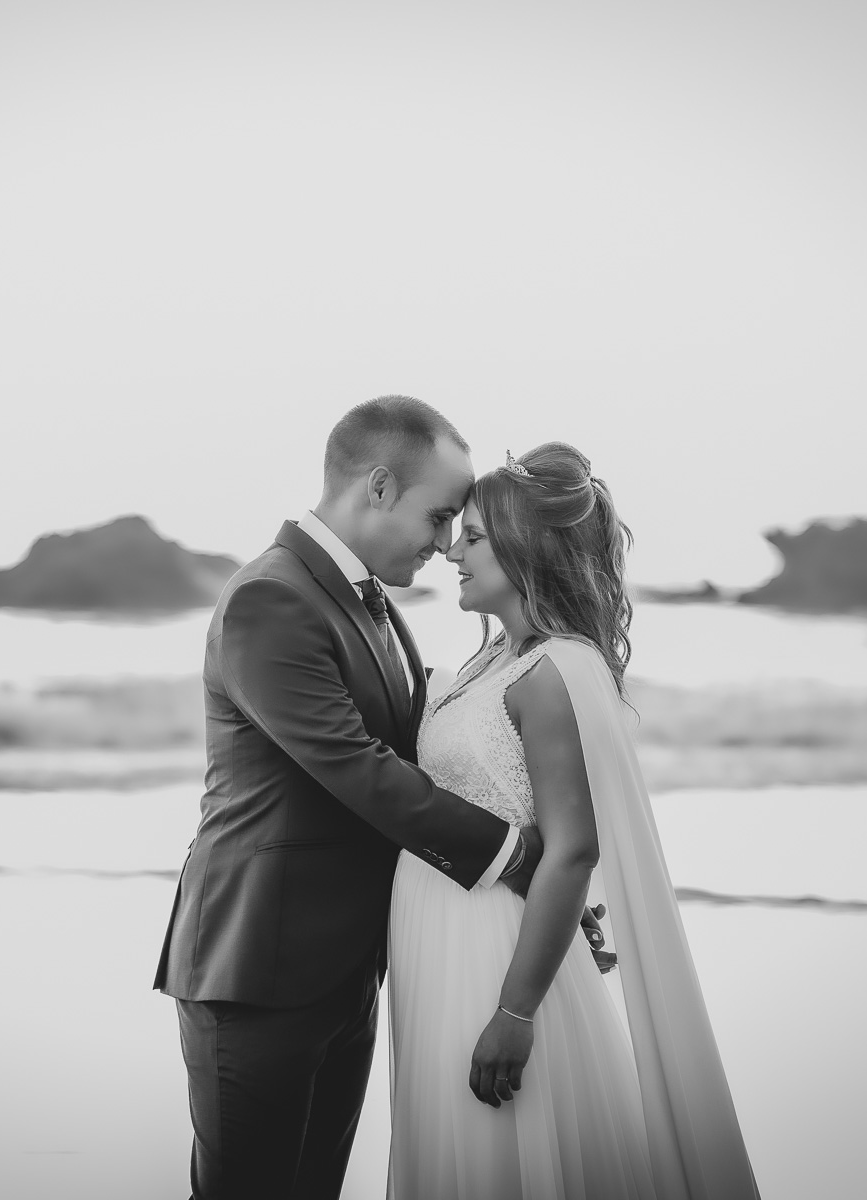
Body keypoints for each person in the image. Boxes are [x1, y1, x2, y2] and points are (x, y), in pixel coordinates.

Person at [154, 396, 556, 1199]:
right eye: (439, 516)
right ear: (378, 487)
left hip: (344, 971)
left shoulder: (371, 606)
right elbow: (356, 767)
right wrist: (518, 860)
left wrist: (551, 894)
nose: (446, 543)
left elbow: (422, 764)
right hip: (258, 970)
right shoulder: (272, 598)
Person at [387, 441, 761, 1199]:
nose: (453, 550)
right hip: (438, 937)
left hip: (493, 957)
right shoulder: (488, 664)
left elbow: (573, 849)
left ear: (528, 549)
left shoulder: (555, 670)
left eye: (476, 538)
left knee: (503, 1159)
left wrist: (514, 1011)